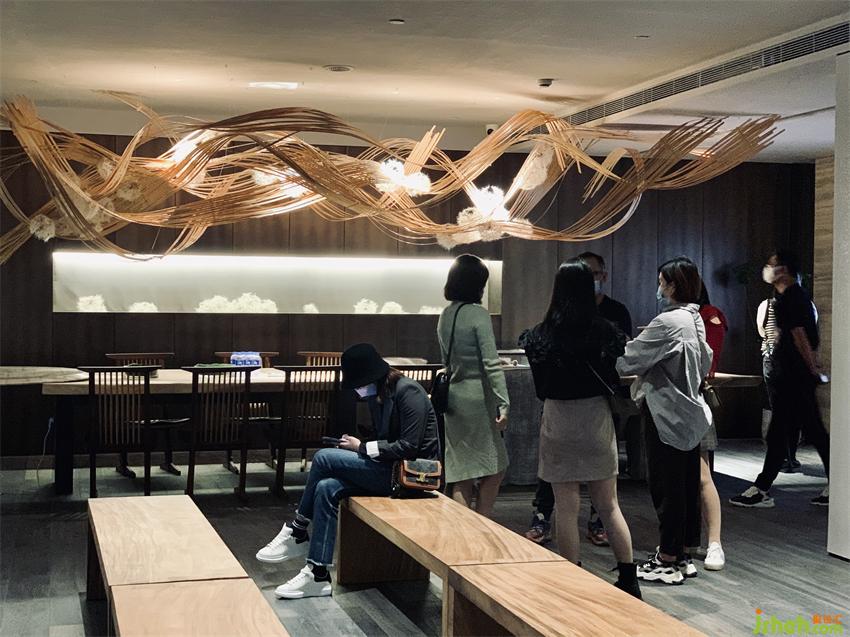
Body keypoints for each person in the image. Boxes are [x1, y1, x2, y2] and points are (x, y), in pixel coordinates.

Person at [255, 343, 440, 599]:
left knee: (323, 458)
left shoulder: (409, 392)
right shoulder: (379, 395)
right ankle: (318, 574)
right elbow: (383, 440)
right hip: (389, 470)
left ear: (372, 376)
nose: (357, 390)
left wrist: (361, 447)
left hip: (410, 478)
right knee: (326, 487)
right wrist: (359, 445)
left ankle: (298, 529)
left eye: (358, 383)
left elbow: (409, 446)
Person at [520, 258, 640, 598]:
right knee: (609, 505)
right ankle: (629, 578)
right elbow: (618, 372)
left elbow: (540, 388)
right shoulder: (605, 331)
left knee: (565, 507)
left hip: (558, 419)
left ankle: (572, 581)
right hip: (595, 418)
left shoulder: (539, 335)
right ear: (590, 287)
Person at [617, 256, 713, 585]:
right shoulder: (695, 319)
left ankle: (668, 557)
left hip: (665, 413)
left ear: (672, 286)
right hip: (689, 412)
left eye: (661, 282)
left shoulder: (668, 321)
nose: (658, 289)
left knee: (666, 486)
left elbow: (629, 360)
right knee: (685, 485)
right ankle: (683, 552)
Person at [730, 251, 830, 508]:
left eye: (771, 265)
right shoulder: (787, 297)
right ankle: (762, 487)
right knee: (792, 431)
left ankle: (762, 488)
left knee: (805, 431)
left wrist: (812, 367)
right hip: (791, 375)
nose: (767, 269)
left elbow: (799, 335)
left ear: (783, 270)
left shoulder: (792, 297)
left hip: (794, 377)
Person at [437, 254, 509, 518]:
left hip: (454, 399)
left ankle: (462, 530)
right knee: (496, 467)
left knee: (463, 472)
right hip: (478, 401)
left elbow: (448, 359)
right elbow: (490, 364)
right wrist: (504, 402)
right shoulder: (478, 314)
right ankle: (482, 521)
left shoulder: (446, 314)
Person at [695, 283, 727, 571]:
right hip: (672, 405)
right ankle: (682, 541)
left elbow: (710, 361)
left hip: (694, 401)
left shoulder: (709, 315)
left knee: (702, 475)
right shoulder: (677, 316)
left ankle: (714, 542)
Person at [757, 296, 801, 473]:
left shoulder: (767, 304)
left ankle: (782, 456)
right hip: (791, 360)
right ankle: (789, 455)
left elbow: (762, 331)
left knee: (780, 408)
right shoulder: (805, 305)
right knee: (791, 409)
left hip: (776, 357)